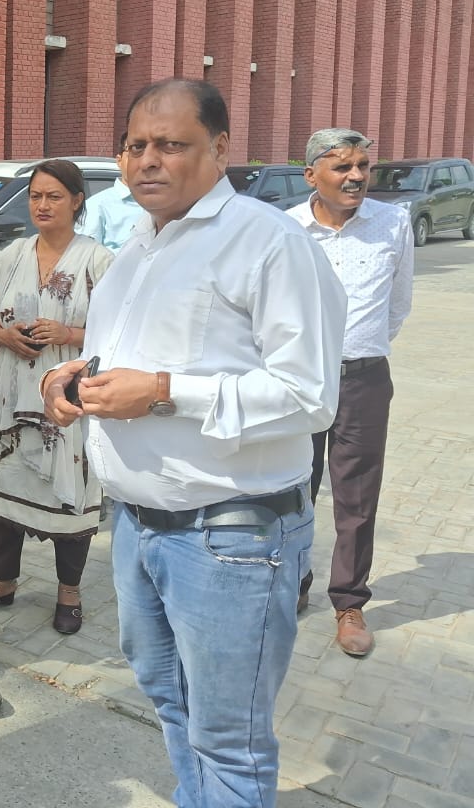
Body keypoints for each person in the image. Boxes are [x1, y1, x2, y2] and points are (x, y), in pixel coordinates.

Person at [41, 78, 345, 808]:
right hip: (138, 528)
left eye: (171, 145)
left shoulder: (268, 243)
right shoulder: (139, 247)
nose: (147, 161)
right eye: (134, 146)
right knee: (172, 705)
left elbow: (310, 397)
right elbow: (131, 362)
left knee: (229, 741)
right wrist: (72, 380)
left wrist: (164, 390)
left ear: (220, 148)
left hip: (230, 536)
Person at [0, 161, 113, 636]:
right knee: (5, 483)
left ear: (77, 200)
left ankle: (69, 592)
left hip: (66, 398)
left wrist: (68, 333)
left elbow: (117, 336)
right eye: (35, 196)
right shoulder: (12, 255)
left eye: (54, 196)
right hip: (11, 391)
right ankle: (2, 582)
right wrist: (3, 335)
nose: (42, 205)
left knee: (70, 491)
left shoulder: (98, 261)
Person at [287, 128, 412, 657]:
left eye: (363, 166)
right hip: (298, 380)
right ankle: (291, 585)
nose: (357, 176)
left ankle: (349, 602)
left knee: (357, 497)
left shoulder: (393, 223)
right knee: (291, 487)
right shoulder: (286, 229)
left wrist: (359, 349)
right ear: (311, 175)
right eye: (342, 167)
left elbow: (398, 304)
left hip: (364, 380)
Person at [79, 134, 141, 250]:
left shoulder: (165, 205)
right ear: (119, 161)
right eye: (134, 151)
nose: (141, 161)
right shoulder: (97, 206)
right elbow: (88, 256)